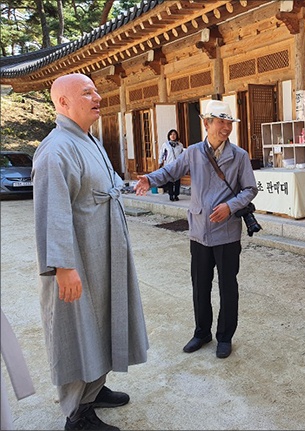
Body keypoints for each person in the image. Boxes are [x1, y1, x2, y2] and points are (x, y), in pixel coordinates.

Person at [32, 73, 149, 431]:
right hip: (79, 259)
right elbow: (53, 213)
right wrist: (63, 267)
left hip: (104, 253)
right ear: (63, 103)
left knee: (102, 322)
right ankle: (76, 413)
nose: (97, 96)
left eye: (96, 90)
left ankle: (93, 389)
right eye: (87, 92)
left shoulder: (89, 140)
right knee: (75, 328)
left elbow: (106, 184)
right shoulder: (56, 149)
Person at [134, 99, 258, 359]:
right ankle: (202, 332)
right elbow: (170, 171)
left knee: (228, 286)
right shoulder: (192, 152)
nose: (226, 127)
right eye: (221, 121)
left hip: (227, 231)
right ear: (207, 123)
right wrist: (149, 179)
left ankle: (225, 336)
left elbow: (250, 189)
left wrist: (230, 206)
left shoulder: (240, 156)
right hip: (199, 230)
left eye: (229, 122)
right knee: (200, 285)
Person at [159, 129, 185, 201]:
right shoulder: (165, 145)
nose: (173, 136)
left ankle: (176, 195)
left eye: (174, 134)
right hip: (168, 165)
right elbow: (162, 153)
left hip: (177, 165)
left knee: (177, 181)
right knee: (169, 181)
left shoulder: (180, 145)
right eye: (171, 134)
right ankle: (171, 194)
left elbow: (182, 154)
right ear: (169, 136)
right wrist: (160, 161)